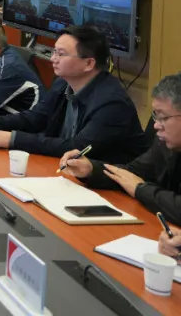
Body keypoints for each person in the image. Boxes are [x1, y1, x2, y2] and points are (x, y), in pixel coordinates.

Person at [0, 25, 146, 161]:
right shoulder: (62, 83)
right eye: (54, 52)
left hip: (106, 184)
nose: (53, 59)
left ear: (89, 63)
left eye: (61, 54)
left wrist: (14, 139)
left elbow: (77, 148)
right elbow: (36, 118)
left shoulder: (112, 103)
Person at [61, 74, 181, 227]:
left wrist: (140, 189)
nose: (156, 125)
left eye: (163, 117)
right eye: (155, 116)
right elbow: (131, 174)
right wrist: (91, 169)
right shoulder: (164, 143)